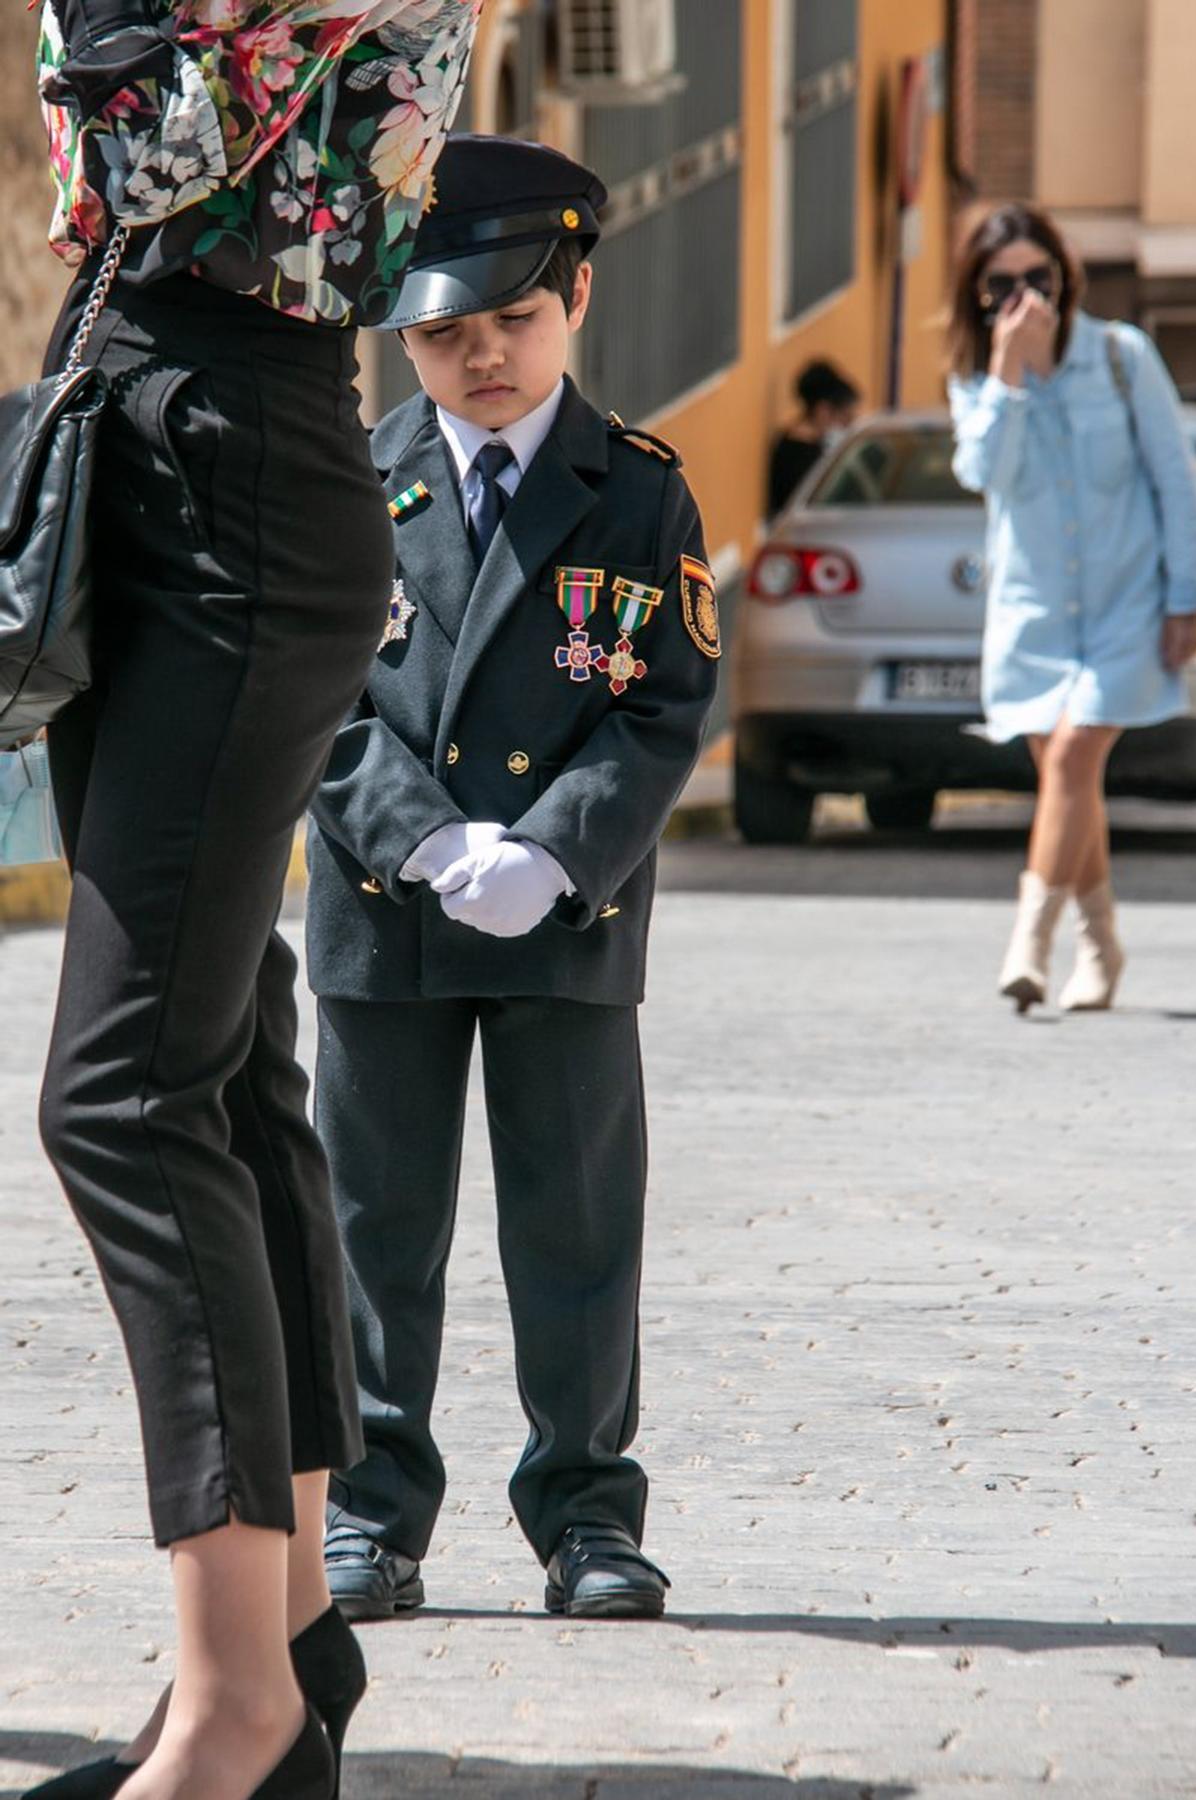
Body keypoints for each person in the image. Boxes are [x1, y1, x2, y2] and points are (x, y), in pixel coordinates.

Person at [26, 3, 480, 1798]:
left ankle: (237, 1711)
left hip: (239, 455)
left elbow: (155, 146)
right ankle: (281, 1643)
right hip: (158, 422)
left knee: (122, 1098)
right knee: (215, 1071)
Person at [305, 134, 720, 1625]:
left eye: (514, 321)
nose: (481, 357)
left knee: (577, 1223)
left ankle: (588, 1512)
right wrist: (417, 833)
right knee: (369, 1224)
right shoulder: (351, 478)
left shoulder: (638, 493)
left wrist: (554, 850)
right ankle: (365, 1509)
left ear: (580, 296)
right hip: (380, 908)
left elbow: (665, 703)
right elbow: (306, 693)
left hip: (566, 916)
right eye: (441, 331)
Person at [947, 204, 1196, 1013]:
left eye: (1039, 277)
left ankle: (1031, 943)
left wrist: (1188, 598)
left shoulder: (1123, 357)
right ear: (979, 292)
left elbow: (1175, 478)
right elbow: (985, 472)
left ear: (1064, 277)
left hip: (1127, 604)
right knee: (1069, 786)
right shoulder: (976, 378)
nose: (1026, 295)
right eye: (1004, 282)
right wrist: (1007, 370)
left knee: (1071, 760)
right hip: (1034, 614)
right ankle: (1102, 945)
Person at [766, 358, 861, 517]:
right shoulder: (800, 457)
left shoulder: (798, 443)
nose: (847, 426)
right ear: (823, 411)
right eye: (845, 417)